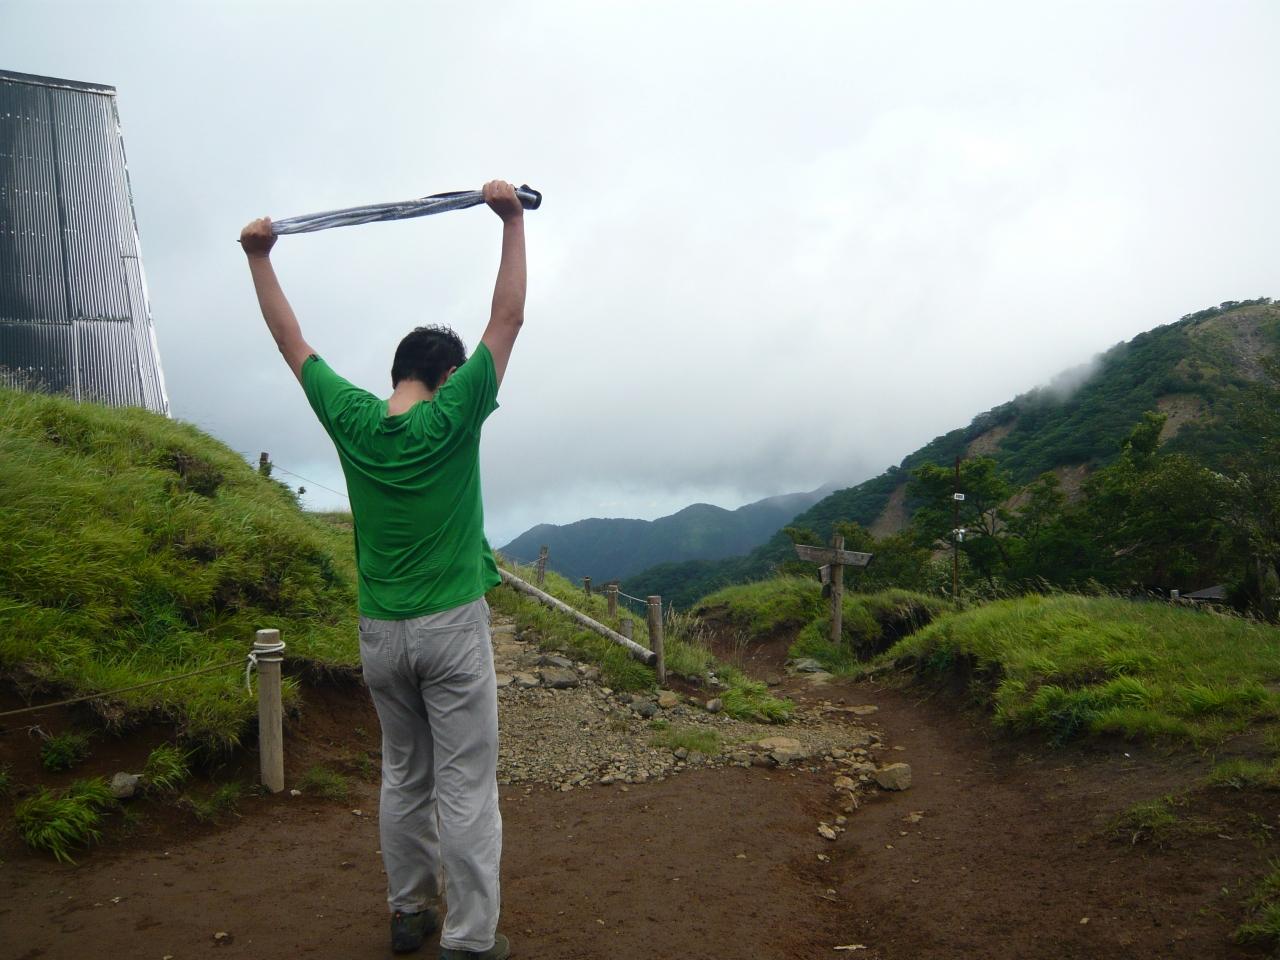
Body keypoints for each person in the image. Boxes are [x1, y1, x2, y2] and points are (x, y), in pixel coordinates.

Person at [238, 180, 526, 960]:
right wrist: (510, 220)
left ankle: (409, 912)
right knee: (465, 783)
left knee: (404, 775)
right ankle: (469, 938)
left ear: (399, 372)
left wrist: (259, 258)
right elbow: (507, 318)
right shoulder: (455, 414)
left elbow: (291, 341)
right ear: (449, 375)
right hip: (451, 627)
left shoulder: (353, 419)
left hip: (379, 633)